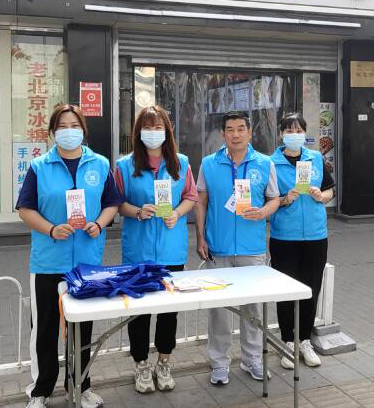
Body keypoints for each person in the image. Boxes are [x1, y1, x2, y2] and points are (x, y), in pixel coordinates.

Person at [17, 104, 124, 408]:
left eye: (74, 125)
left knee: (82, 328)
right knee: (45, 329)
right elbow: (25, 209)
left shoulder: (100, 164)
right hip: (48, 262)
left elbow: (112, 203)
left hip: (86, 263)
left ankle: (80, 386)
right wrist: (51, 229)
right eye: (62, 126)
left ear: (83, 130)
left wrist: (99, 224)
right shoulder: (40, 167)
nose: (69, 131)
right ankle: (40, 390)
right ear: (53, 132)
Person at [115, 106, 198, 394]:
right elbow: (116, 203)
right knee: (138, 312)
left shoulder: (181, 163)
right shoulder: (124, 165)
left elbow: (190, 196)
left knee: (168, 312)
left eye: (158, 127)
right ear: (138, 132)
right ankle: (141, 364)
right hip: (137, 251)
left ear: (167, 131)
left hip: (171, 251)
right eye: (147, 127)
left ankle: (164, 362)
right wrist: (137, 212)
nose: (153, 132)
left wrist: (177, 212)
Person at [195, 111, 280, 386]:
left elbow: (274, 198)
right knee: (219, 310)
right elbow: (200, 202)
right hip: (217, 249)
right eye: (230, 129)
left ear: (250, 132)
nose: (235, 134)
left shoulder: (264, 163)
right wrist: (200, 237)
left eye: (241, 129)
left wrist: (263, 212)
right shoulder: (209, 164)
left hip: (251, 249)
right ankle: (219, 363)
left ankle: (252, 359)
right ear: (223, 134)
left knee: (253, 309)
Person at [269, 113, 334, 369]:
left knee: (310, 290)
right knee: (285, 292)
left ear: (305, 134)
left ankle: (305, 340)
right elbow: (266, 200)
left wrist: (321, 196)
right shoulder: (271, 163)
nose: (294, 135)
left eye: (298, 130)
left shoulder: (315, 158)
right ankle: (287, 341)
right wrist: (284, 199)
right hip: (285, 237)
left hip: (316, 236)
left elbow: (330, 190)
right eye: (289, 130)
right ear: (281, 134)